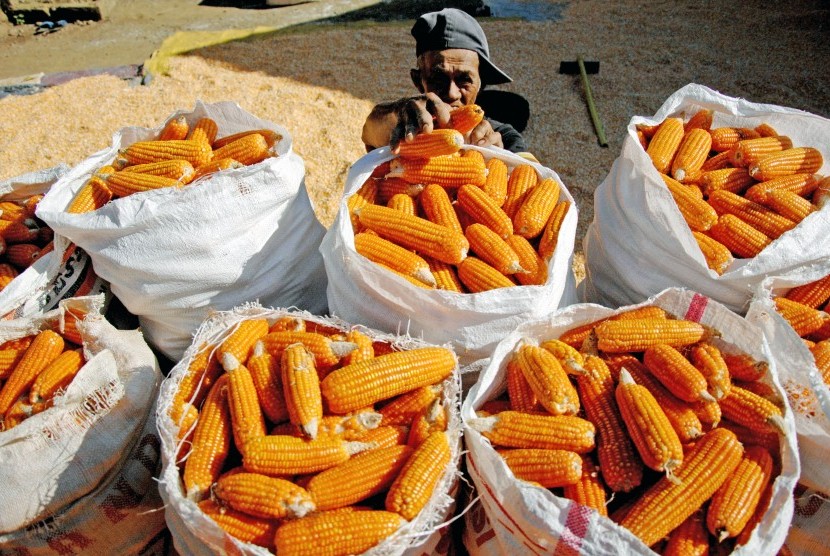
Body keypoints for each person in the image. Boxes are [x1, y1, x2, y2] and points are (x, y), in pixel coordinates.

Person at [361, 8, 529, 156]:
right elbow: (370, 129)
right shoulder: (405, 127)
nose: (451, 93)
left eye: (464, 80)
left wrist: (504, 160)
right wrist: (398, 111)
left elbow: (535, 175)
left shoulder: (504, 136)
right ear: (418, 81)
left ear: (481, 84)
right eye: (438, 79)